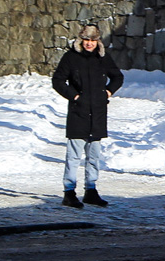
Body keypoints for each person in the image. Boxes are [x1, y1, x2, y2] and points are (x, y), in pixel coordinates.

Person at [52, 24, 124, 208]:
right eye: (86, 40)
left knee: (93, 156)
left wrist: (107, 92)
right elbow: (58, 80)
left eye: (93, 40)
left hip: (98, 114)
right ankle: (69, 192)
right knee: (74, 156)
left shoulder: (103, 57)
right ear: (81, 40)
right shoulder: (71, 57)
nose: (89, 44)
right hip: (78, 113)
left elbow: (118, 77)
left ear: (97, 41)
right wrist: (74, 96)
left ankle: (91, 191)